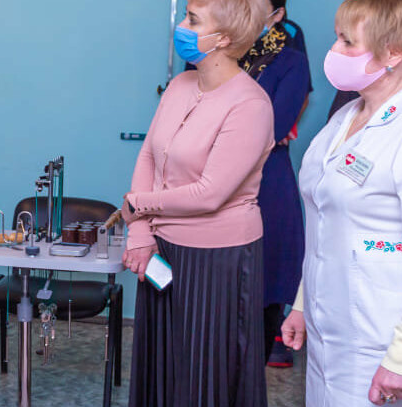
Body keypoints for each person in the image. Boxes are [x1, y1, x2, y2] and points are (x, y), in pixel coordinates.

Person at [280, 0, 402, 405]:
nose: (334, 49)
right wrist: (303, 305)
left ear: (393, 52)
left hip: (392, 348)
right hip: (334, 340)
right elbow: (328, 223)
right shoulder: (346, 117)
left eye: (348, 41)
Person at [121, 0, 273, 405]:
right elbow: (149, 155)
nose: (182, 26)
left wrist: (137, 206)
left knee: (204, 377)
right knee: (161, 371)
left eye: (193, 20)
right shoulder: (180, 85)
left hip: (217, 258)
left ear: (222, 38)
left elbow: (210, 193)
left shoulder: (251, 104)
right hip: (162, 249)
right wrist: (140, 234)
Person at [244, 0, 311, 370]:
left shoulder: (290, 57)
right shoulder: (217, 52)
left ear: (278, 14)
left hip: (267, 180)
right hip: (210, 180)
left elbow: (275, 125)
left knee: (264, 285)